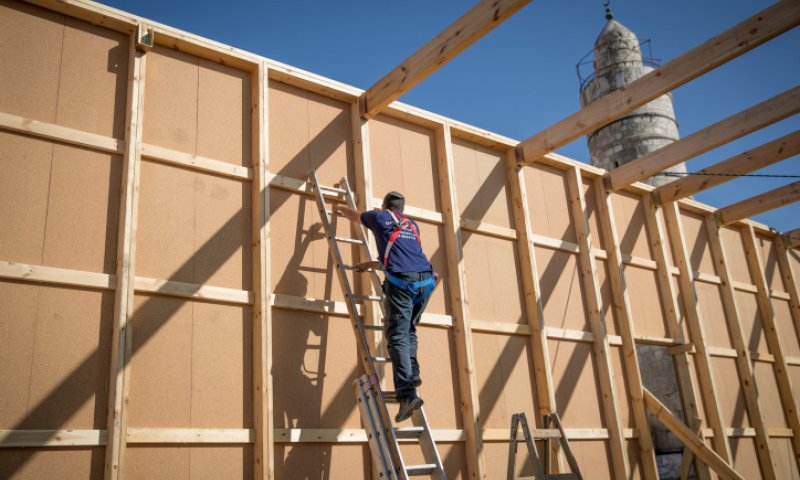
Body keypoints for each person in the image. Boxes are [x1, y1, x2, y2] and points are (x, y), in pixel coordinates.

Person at [337, 191, 436, 422]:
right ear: (402, 210)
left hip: (403, 284)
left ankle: (407, 394)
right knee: (409, 330)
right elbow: (403, 256)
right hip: (425, 282)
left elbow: (355, 215)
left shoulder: (379, 217)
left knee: (398, 336)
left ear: (383, 206)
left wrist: (340, 209)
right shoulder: (411, 225)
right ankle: (413, 374)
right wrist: (372, 264)